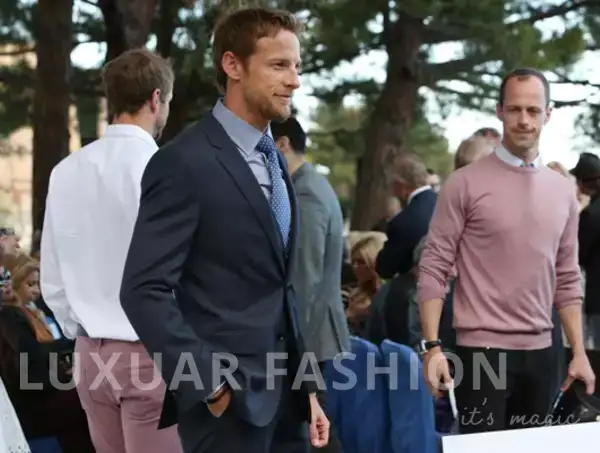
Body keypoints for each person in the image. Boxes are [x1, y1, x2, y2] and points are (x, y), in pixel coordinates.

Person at [119, 8, 329, 453]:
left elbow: (283, 289)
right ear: (232, 65)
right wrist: (210, 386)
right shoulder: (182, 162)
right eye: (279, 65)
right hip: (227, 412)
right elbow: (142, 290)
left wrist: (308, 389)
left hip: (288, 405)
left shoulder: (274, 159)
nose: (294, 81)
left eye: (297, 67)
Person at [418, 68, 595, 434]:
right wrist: (432, 347)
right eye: (515, 109)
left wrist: (578, 351)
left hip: (544, 354)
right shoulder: (463, 184)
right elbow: (434, 266)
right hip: (481, 353)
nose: (524, 120)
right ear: (499, 111)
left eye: (533, 110)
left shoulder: (563, 191)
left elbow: (567, 276)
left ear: (548, 114)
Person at [40, 49, 181, 453]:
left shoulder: (66, 170)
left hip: (90, 353)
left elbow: (53, 276)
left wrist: (82, 328)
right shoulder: (166, 170)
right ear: (156, 98)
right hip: (150, 349)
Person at [272, 116, 348, 453]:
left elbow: (303, 279)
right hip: (312, 333)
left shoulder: (306, 193)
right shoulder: (309, 185)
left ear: (283, 144)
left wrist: (290, 343)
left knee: (311, 433)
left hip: (309, 334)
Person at [376, 154, 437, 279]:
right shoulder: (449, 205)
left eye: (391, 185)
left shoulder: (403, 222)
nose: (392, 191)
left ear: (401, 185)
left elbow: (385, 268)